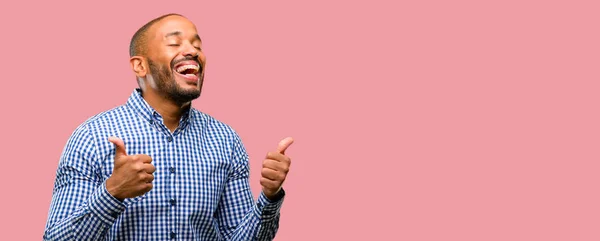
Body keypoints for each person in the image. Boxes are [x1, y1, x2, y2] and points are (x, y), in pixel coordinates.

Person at [43, 13, 293, 241]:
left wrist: (270, 196)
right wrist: (112, 192)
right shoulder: (92, 136)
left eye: (197, 45)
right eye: (175, 43)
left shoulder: (226, 139)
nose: (193, 52)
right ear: (139, 66)